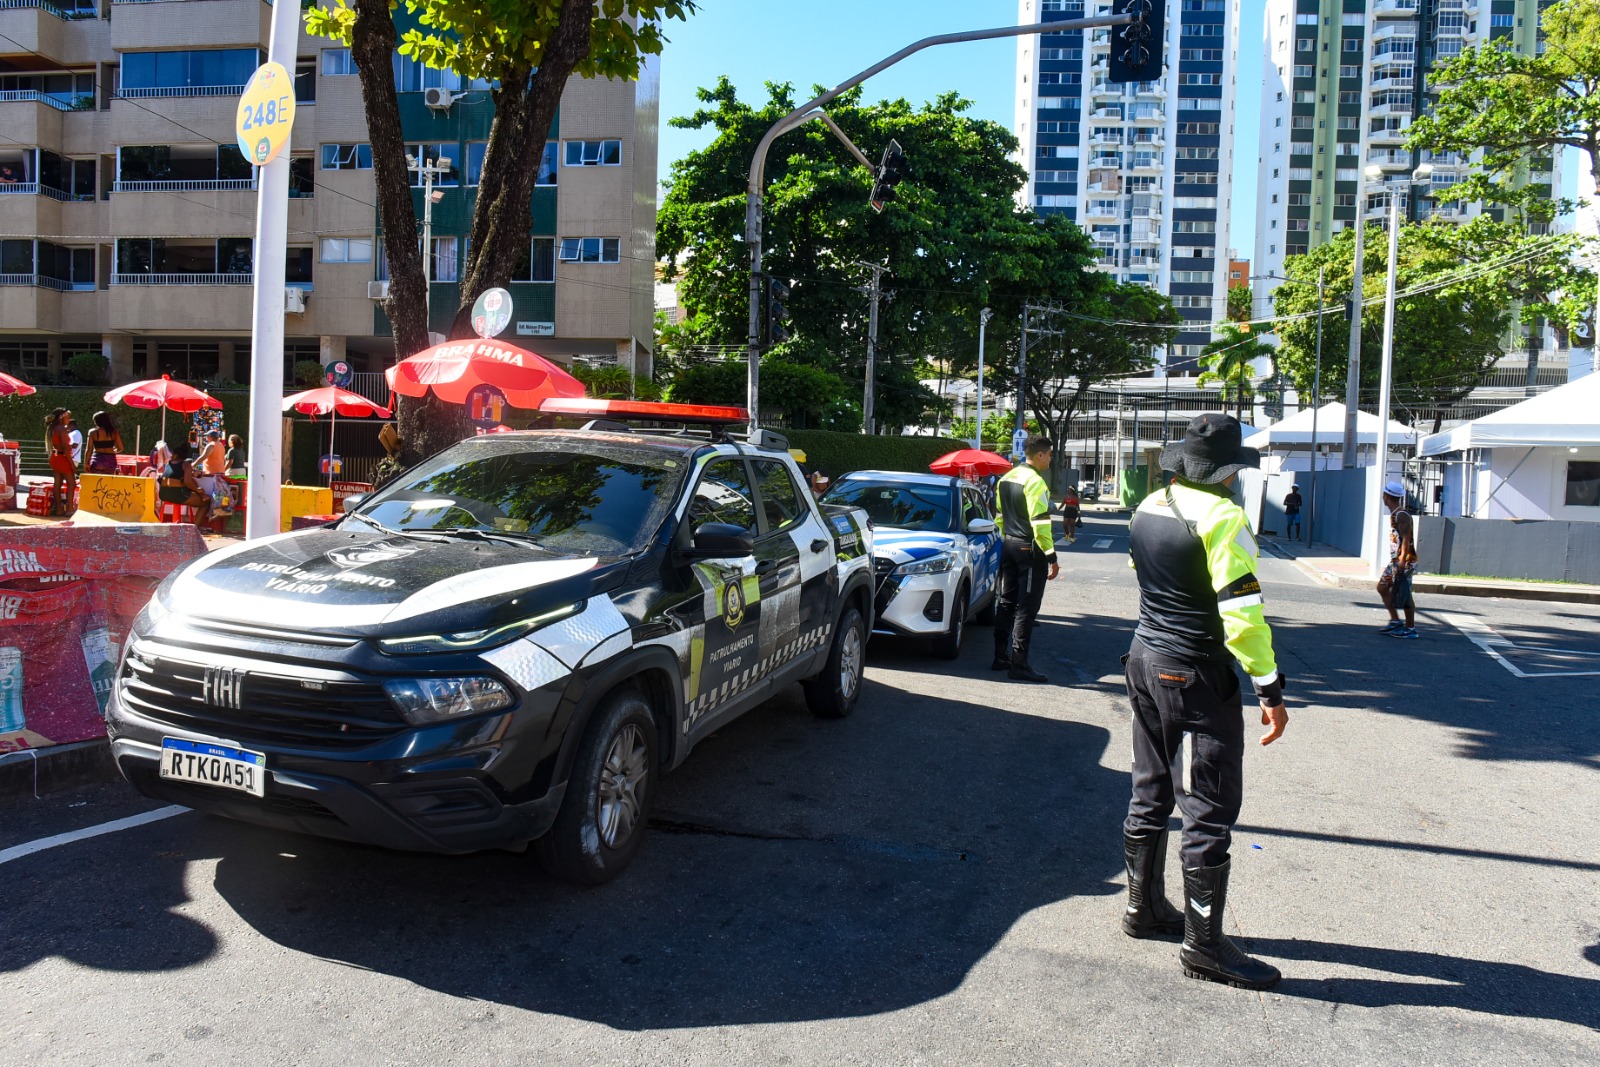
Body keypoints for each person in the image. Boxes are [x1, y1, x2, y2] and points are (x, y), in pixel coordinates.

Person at [1121, 413, 1289, 990]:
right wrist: (1269, 688)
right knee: (1211, 805)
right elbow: (1242, 617)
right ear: (1226, 472)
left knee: (1150, 785)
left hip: (1143, 657)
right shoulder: (1225, 518)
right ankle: (1205, 946)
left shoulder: (1149, 506)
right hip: (1195, 668)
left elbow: (1139, 571)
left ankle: (1143, 909)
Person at [991, 436, 1058, 683]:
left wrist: (1005, 537)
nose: (1051, 459)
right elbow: (1040, 523)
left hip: (1008, 544)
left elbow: (999, 514)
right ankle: (1019, 664)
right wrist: (1051, 556)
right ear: (1039, 455)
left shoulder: (1006, 478)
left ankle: (1000, 657)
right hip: (1029, 549)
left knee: (1006, 602)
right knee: (1027, 608)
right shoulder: (1035, 482)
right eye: (1049, 454)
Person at [1377, 479, 1419, 639]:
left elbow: (1406, 539)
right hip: (1396, 561)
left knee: (1405, 595)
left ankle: (1410, 629)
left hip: (1405, 561)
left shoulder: (1402, 515)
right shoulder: (1396, 514)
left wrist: (1401, 560)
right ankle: (1395, 621)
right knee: (1382, 587)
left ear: (1387, 496)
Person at [158, 442, 212, 526]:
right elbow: (188, 482)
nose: (171, 456)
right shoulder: (186, 465)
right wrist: (198, 490)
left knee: (194, 489)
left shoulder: (168, 464)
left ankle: (201, 496)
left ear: (176, 455)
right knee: (206, 503)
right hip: (177, 495)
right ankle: (194, 529)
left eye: (172, 454)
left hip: (163, 494)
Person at [45, 408, 76, 517]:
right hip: (62, 457)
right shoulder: (62, 429)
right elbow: (66, 448)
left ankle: (59, 509)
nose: (69, 419)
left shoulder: (52, 428)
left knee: (57, 484)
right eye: (67, 417)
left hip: (54, 457)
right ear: (62, 417)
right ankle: (70, 509)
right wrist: (72, 464)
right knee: (72, 483)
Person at [84, 411, 124, 475]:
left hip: (97, 460)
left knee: (96, 482)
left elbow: (89, 450)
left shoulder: (92, 432)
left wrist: (86, 463)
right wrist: (113, 450)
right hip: (110, 461)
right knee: (107, 482)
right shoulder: (114, 432)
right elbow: (121, 448)